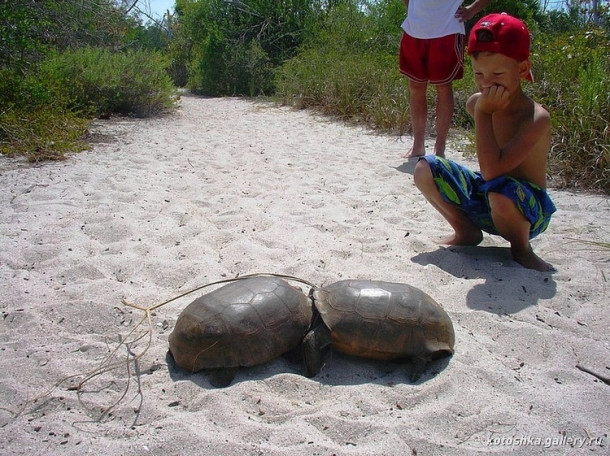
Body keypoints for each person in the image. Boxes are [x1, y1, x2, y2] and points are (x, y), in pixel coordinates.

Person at [412, 13, 557, 272]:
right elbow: (487, 176)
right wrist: (482, 109)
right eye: (479, 74)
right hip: (489, 198)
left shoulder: (536, 118)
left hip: (527, 212)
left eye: (497, 74)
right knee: (425, 169)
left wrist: (483, 112)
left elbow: (494, 172)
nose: (487, 83)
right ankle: (465, 231)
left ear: (522, 69)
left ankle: (521, 249)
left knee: (500, 192)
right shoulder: (476, 102)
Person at [399, 0, 491, 158]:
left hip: (447, 28)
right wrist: (412, 11)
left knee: (443, 87)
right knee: (416, 86)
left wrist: (472, 9)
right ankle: (418, 145)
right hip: (415, 29)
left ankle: (440, 147)